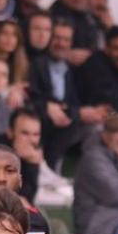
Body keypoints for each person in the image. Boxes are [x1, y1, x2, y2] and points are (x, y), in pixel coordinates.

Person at [28, 20, 92, 168]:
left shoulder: (70, 69)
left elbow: (74, 100)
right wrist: (49, 107)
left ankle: (55, 167)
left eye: (66, 40)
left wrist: (69, 111)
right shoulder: (38, 63)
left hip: (64, 119)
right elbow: (32, 94)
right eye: (57, 38)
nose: (61, 44)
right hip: (41, 114)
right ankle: (48, 167)